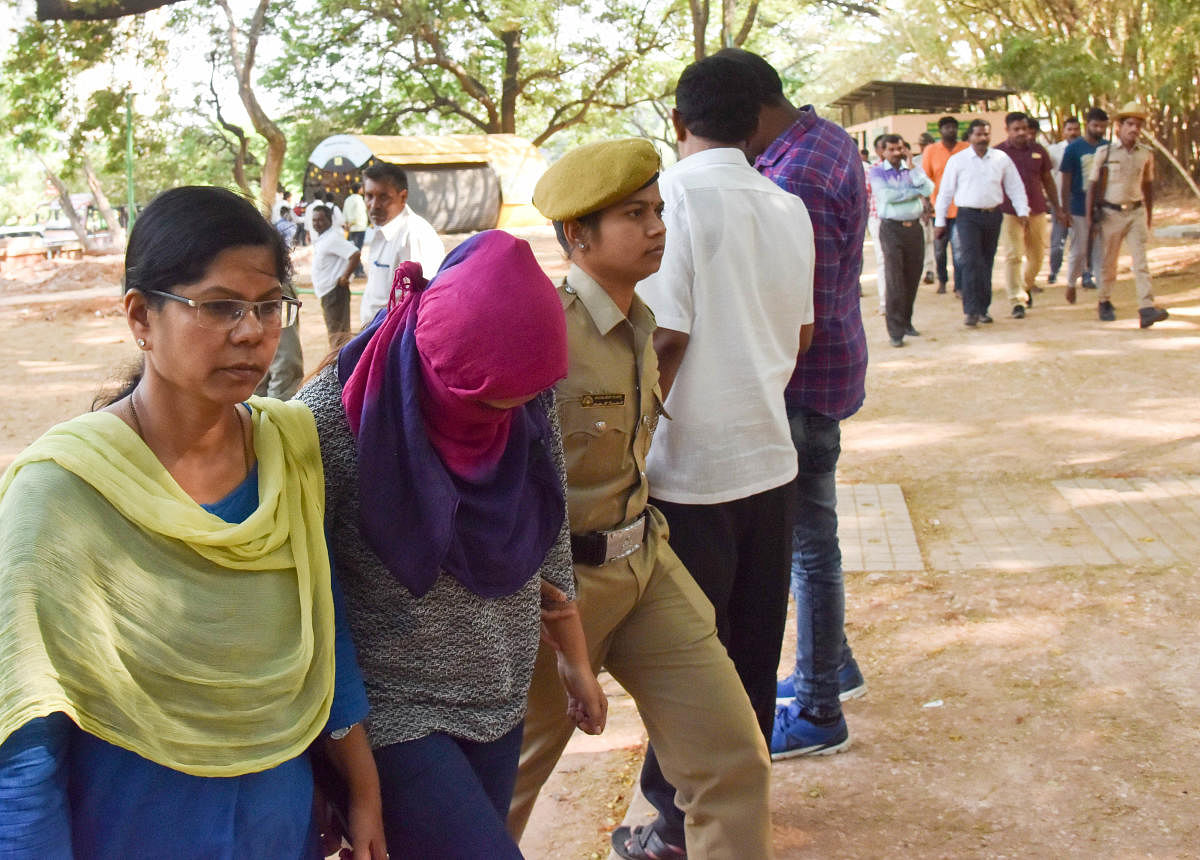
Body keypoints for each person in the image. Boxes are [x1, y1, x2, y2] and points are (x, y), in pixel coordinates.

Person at [0, 185, 384, 859]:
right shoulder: (63, 490)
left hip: (278, 825)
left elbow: (325, 633)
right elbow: (29, 737)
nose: (251, 332)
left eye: (269, 307)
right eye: (218, 307)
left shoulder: (288, 452)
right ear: (140, 317)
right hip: (132, 828)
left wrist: (363, 792)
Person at [298, 230, 606, 858]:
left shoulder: (525, 388)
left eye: (519, 402)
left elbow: (545, 513)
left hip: (500, 686)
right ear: (440, 367)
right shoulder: (331, 421)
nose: (505, 415)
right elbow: (306, 600)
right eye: (486, 404)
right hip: (394, 713)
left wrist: (573, 655)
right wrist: (347, 770)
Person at [509, 137, 773, 860]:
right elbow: (504, 498)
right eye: (634, 214)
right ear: (576, 236)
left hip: (645, 565)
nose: (658, 227)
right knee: (501, 793)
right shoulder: (542, 337)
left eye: (658, 210)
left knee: (732, 761)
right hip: (557, 593)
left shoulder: (643, 321)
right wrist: (560, 629)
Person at [630, 55, 815, 853]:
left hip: (689, 467)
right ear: (759, 123)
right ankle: (735, 799)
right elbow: (801, 335)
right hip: (767, 459)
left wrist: (635, 444)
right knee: (749, 642)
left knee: (686, 662)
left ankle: (677, 824)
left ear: (678, 124)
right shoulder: (785, 204)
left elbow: (664, 335)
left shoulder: (672, 199)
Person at [717, 46, 870, 762]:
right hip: (831, 365)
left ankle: (817, 709)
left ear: (751, 113)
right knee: (811, 539)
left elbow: (791, 306)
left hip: (802, 382)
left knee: (810, 548)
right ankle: (829, 664)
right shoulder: (823, 139)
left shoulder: (796, 175)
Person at [935, 119, 1030, 327]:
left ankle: (983, 310)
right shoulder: (958, 160)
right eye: (978, 134)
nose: (982, 138)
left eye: (986, 134)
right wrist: (940, 221)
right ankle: (970, 311)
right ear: (969, 137)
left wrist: (1023, 210)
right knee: (970, 262)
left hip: (993, 215)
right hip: (967, 217)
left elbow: (1015, 186)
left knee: (987, 262)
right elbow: (945, 192)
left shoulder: (1000, 158)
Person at [1086, 102, 1170, 328]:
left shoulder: (1145, 154)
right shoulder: (1105, 153)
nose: (1134, 129)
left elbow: (1148, 186)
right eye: (1130, 124)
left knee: (1141, 261)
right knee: (1109, 262)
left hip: (1136, 212)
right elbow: (1092, 186)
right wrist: (1089, 218)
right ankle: (1104, 300)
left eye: (1138, 125)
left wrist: (1148, 217)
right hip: (1110, 213)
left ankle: (1146, 308)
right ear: (1118, 127)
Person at [359, 163, 445, 326]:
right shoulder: (382, 230)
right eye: (369, 196)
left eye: (384, 197)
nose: (374, 205)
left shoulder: (415, 235)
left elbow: (421, 301)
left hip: (393, 337)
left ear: (403, 197)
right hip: (374, 333)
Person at [994, 111, 1062, 319]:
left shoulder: (1038, 150)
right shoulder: (997, 154)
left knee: (1038, 256)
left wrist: (1057, 207)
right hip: (1009, 211)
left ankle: (1025, 286)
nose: (1022, 133)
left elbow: (1047, 180)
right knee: (1013, 255)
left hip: (1036, 209)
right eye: (1016, 129)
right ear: (1007, 130)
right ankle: (1017, 301)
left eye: (1024, 128)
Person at [870, 133, 935, 347]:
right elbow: (886, 196)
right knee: (894, 279)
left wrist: (912, 170)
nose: (897, 153)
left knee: (912, 276)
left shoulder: (913, 168)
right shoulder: (877, 171)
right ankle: (895, 331)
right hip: (891, 229)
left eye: (900, 149)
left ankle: (907, 322)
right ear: (883, 152)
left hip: (914, 227)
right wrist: (912, 192)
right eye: (892, 149)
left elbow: (927, 189)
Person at [1060, 107, 1109, 302]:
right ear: (1087, 124)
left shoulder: (1108, 147)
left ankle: (1104, 296)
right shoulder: (1073, 149)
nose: (1099, 130)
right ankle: (1071, 283)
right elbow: (1065, 182)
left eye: (1103, 127)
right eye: (1095, 125)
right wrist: (1065, 210)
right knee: (1079, 250)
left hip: (1104, 206)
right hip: (1079, 206)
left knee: (1100, 251)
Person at [922, 116, 968, 294]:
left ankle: (959, 285)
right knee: (940, 250)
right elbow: (925, 179)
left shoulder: (965, 148)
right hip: (938, 208)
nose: (951, 130)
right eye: (947, 127)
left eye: (954, 127)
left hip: (962, 207)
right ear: (940, 130)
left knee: (959, 248)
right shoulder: (931, 150)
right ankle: (942, 280)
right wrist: (926, 204)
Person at [310, 203, 361, 348]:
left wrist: (345, 277)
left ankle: (340, 366)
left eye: (320, 220)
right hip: (327, 293)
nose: (316, 224)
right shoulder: (323, 239)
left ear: (329, 221)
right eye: (314, 220)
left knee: (338, 334)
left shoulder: (332, 238)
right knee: (335, 332)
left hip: (335, 292)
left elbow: (355, 254)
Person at [1047, 116, 1081, 286]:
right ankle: (1054, 271)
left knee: (1081, 240)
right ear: (1064, 131)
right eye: (1070, 129)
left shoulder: (1086, 149)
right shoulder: (1053, 151)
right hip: (1060, 204)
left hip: (1081, 204)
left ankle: (1085, 274)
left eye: (1076, 129)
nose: (1073, 133)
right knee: (1058, 242)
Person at [867, 133, 888, 313]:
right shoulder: (871, 170)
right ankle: (885, 303)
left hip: (900, 222)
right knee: (883, 260)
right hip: (878, 220)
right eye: (886, 148)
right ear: (878, 150)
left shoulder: (904, 169)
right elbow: (865, 196)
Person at [343, 182, 369, 277]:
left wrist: (347, 224)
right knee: (357, 250)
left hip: (351, 228)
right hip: (359, 228)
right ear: (359, 190)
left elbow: (344, 213)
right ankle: (358, 271)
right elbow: (358, 214)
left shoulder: (347, 200)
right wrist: (352, 222)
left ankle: (357, 270)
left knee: (353, 249)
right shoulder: (359, 200)